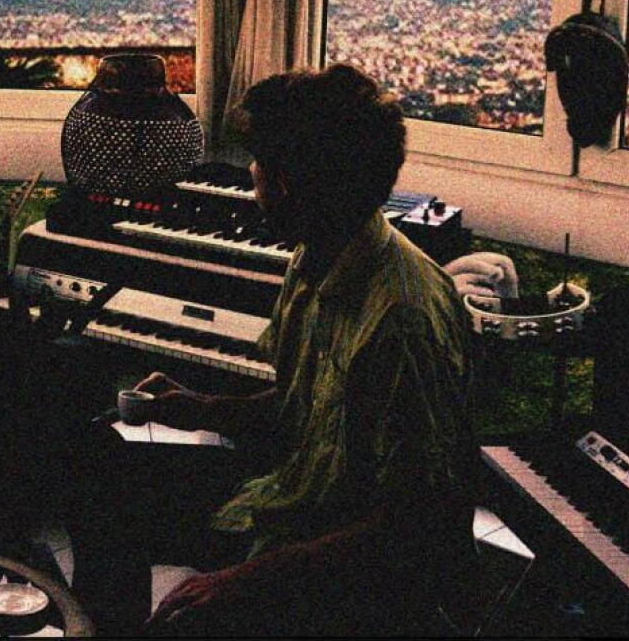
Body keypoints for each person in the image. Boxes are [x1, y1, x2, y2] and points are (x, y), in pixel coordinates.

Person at [71, 64, 476, 635]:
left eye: (258, 163)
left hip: (358, 569)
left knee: (192, 617)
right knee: (101, 475)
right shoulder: (318, 255)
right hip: (294, 491)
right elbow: (306, 404)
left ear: (285, 182)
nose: (252, 175)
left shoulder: (402, 324)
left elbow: (413, 529)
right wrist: (200, 408)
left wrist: (238, 582)